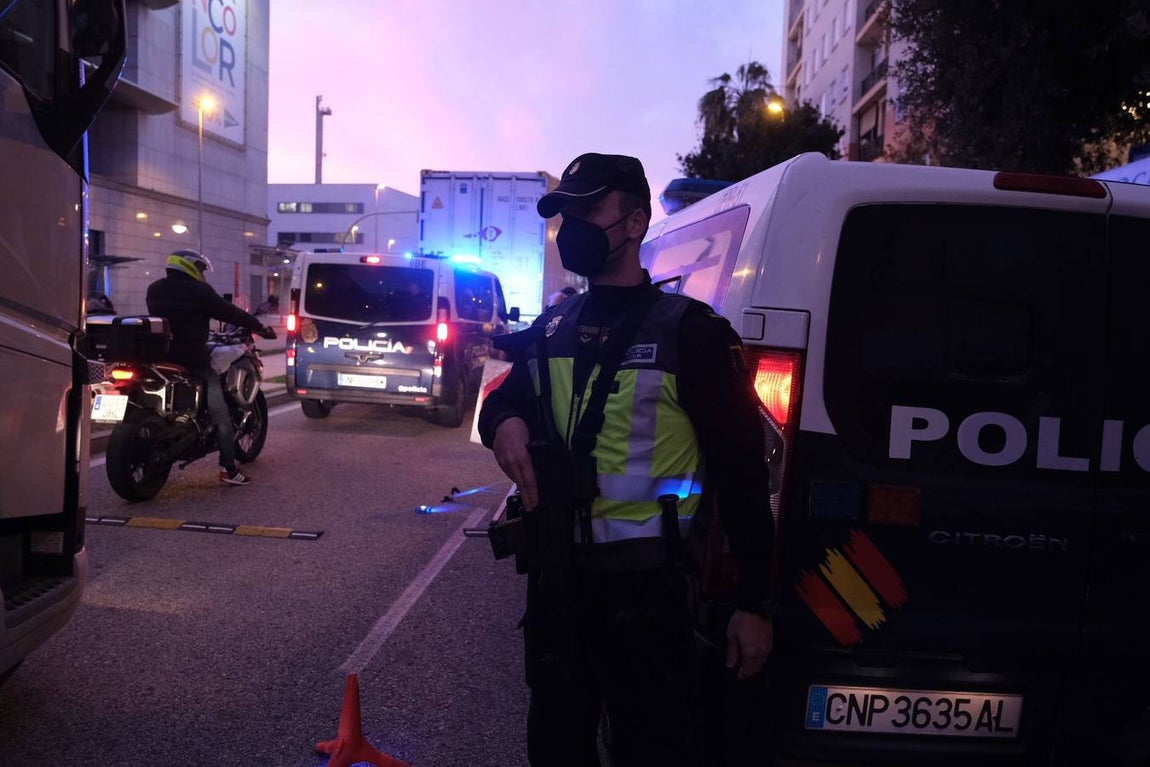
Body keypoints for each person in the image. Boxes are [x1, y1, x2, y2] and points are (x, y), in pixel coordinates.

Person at [478, 153, 775, 766]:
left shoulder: (691, 334)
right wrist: (502, 424)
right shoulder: (555, 325)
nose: (574, 226)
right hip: (559, 590)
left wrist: (753, 605)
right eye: (566, 214)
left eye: (590, 210)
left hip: (648, 599)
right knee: (556, 751)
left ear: (635, 223)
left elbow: (744, 473)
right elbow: (504, 399)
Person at [146, 249, 276, 486]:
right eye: (201, 269)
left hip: (160, 358)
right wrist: (259, 327)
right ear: (189, 266)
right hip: (192, 359)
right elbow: (230, 312)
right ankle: (228, 469)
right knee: (221, 413)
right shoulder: (200, 292)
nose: (203, 273)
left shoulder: (154, 289)